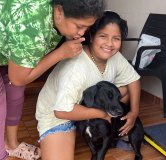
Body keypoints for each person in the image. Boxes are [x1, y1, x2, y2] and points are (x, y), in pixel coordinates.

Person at [0, 0, 105, 159]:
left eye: (88, 27)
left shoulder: (52, 18)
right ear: (59, 12)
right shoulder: (30, 27)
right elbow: (18, 78)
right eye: (79, 26)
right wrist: (60, 53)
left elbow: (17, 79)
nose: (83, 32)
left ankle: (11, 145)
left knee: (15, 86)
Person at [36, 11, 141, 160]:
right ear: (91, 36)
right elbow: (61, 112)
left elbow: (134, 80)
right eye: (103, 36)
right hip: (59, 114)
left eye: (116, 38)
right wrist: (103, 114)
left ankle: (114, 132)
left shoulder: (114, 56)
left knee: (126, 89)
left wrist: (134, 113)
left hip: (86, 104)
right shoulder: (76, 68)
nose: (110, 44)